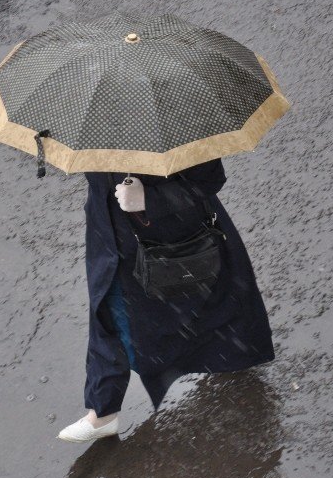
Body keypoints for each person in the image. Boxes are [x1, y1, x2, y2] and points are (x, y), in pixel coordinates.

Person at [57, 158, 275, 442]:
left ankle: (238, 354)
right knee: (108, 313)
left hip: (174, 240)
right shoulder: (98, 126)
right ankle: (103, 412)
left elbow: (209, 179)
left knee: (212, 303)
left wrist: (150, 198)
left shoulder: (175, 121)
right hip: (109, 235)